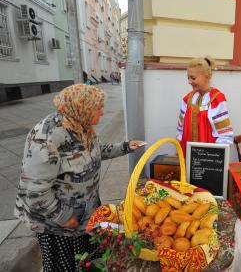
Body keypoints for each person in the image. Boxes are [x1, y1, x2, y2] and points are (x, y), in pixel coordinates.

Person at [14, 84, 145, 272]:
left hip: (84, 215)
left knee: (88, 261)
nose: (102, 112)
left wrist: (126, 147)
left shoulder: (82, 126)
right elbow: (34, 191)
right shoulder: (46, 138)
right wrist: (63, 216)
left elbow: (97, 152)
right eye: (97, 108)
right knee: (65, 265)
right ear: (82, 108)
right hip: (57, 224)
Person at [177, 56, 234, 156]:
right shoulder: (187, 99)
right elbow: (180, 130)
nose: (189, 82)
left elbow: (224, 135)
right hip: (187, 156)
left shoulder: (217, 100)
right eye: (188, 77)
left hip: (208, 159)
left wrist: (215, 160)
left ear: (207, 77)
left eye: (193, 78)